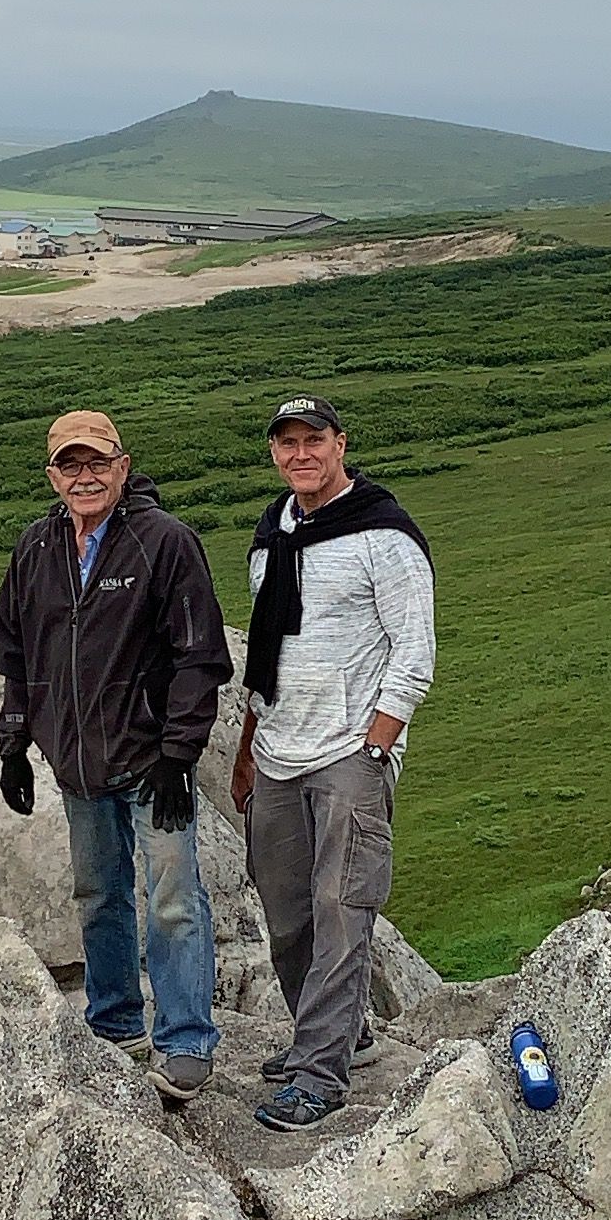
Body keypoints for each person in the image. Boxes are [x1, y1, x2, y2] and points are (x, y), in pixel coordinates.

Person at [0, 407, 233, 1102]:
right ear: (53, 476)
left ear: (123, 468)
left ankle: (186, 1042)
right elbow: (17, 652)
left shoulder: (165, 542)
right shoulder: (36, 550)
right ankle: (116, 1025)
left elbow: (199, 657)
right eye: (71, 464)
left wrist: (177, 754)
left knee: (173, 902)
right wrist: (14, 743)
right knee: (98, 897)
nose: (86, 475)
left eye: (98, 462)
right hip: (78, 765)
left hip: (150, 761)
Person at [229, 395, 435, 1130]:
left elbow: (414, 653)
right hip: (279, 748)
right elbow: (266, 650)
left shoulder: (385, 535)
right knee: (286, 917)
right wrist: (249, 746)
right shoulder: (271, 534)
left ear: (340, 444)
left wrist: (377, 746)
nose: (300, 455)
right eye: (286, 444)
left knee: (342, 910)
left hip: (351, 751)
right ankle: (343, 1032)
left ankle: (320, 1074)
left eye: (313, 440)